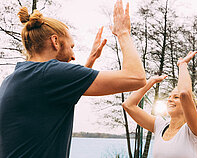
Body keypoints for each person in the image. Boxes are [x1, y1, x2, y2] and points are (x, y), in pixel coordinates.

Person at [0, 0, 146, 157]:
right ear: (55, 41)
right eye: (71, 47)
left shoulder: (12, 79)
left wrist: (90, 61)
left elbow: (59, 93)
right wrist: (123, 33)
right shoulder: (50, 74)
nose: (73, 55)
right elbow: (136, 78)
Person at [122, 51, 197, 158]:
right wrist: (150, 81)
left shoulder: (193, 130)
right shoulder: (160, 125)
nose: (170, 100)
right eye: (169, 97)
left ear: (189, 104)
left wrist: (183, 64)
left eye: (176, 97)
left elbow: (184, 93)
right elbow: (128, 105)